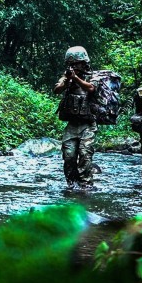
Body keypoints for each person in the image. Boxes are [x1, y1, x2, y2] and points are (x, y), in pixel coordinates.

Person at [52, 46, 101, 188]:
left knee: (85, 154)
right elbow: (57, 90)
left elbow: (91, 88)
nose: (73, 67)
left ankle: (86, 186)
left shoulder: (93, 76)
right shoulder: (67, 77)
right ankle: (71, 185)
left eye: (76, 64)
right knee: (68, 156)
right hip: (72, 125)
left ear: (84, 62)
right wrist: (67, 80)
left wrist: (76, 78)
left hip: (88, 125)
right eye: (71, 64)